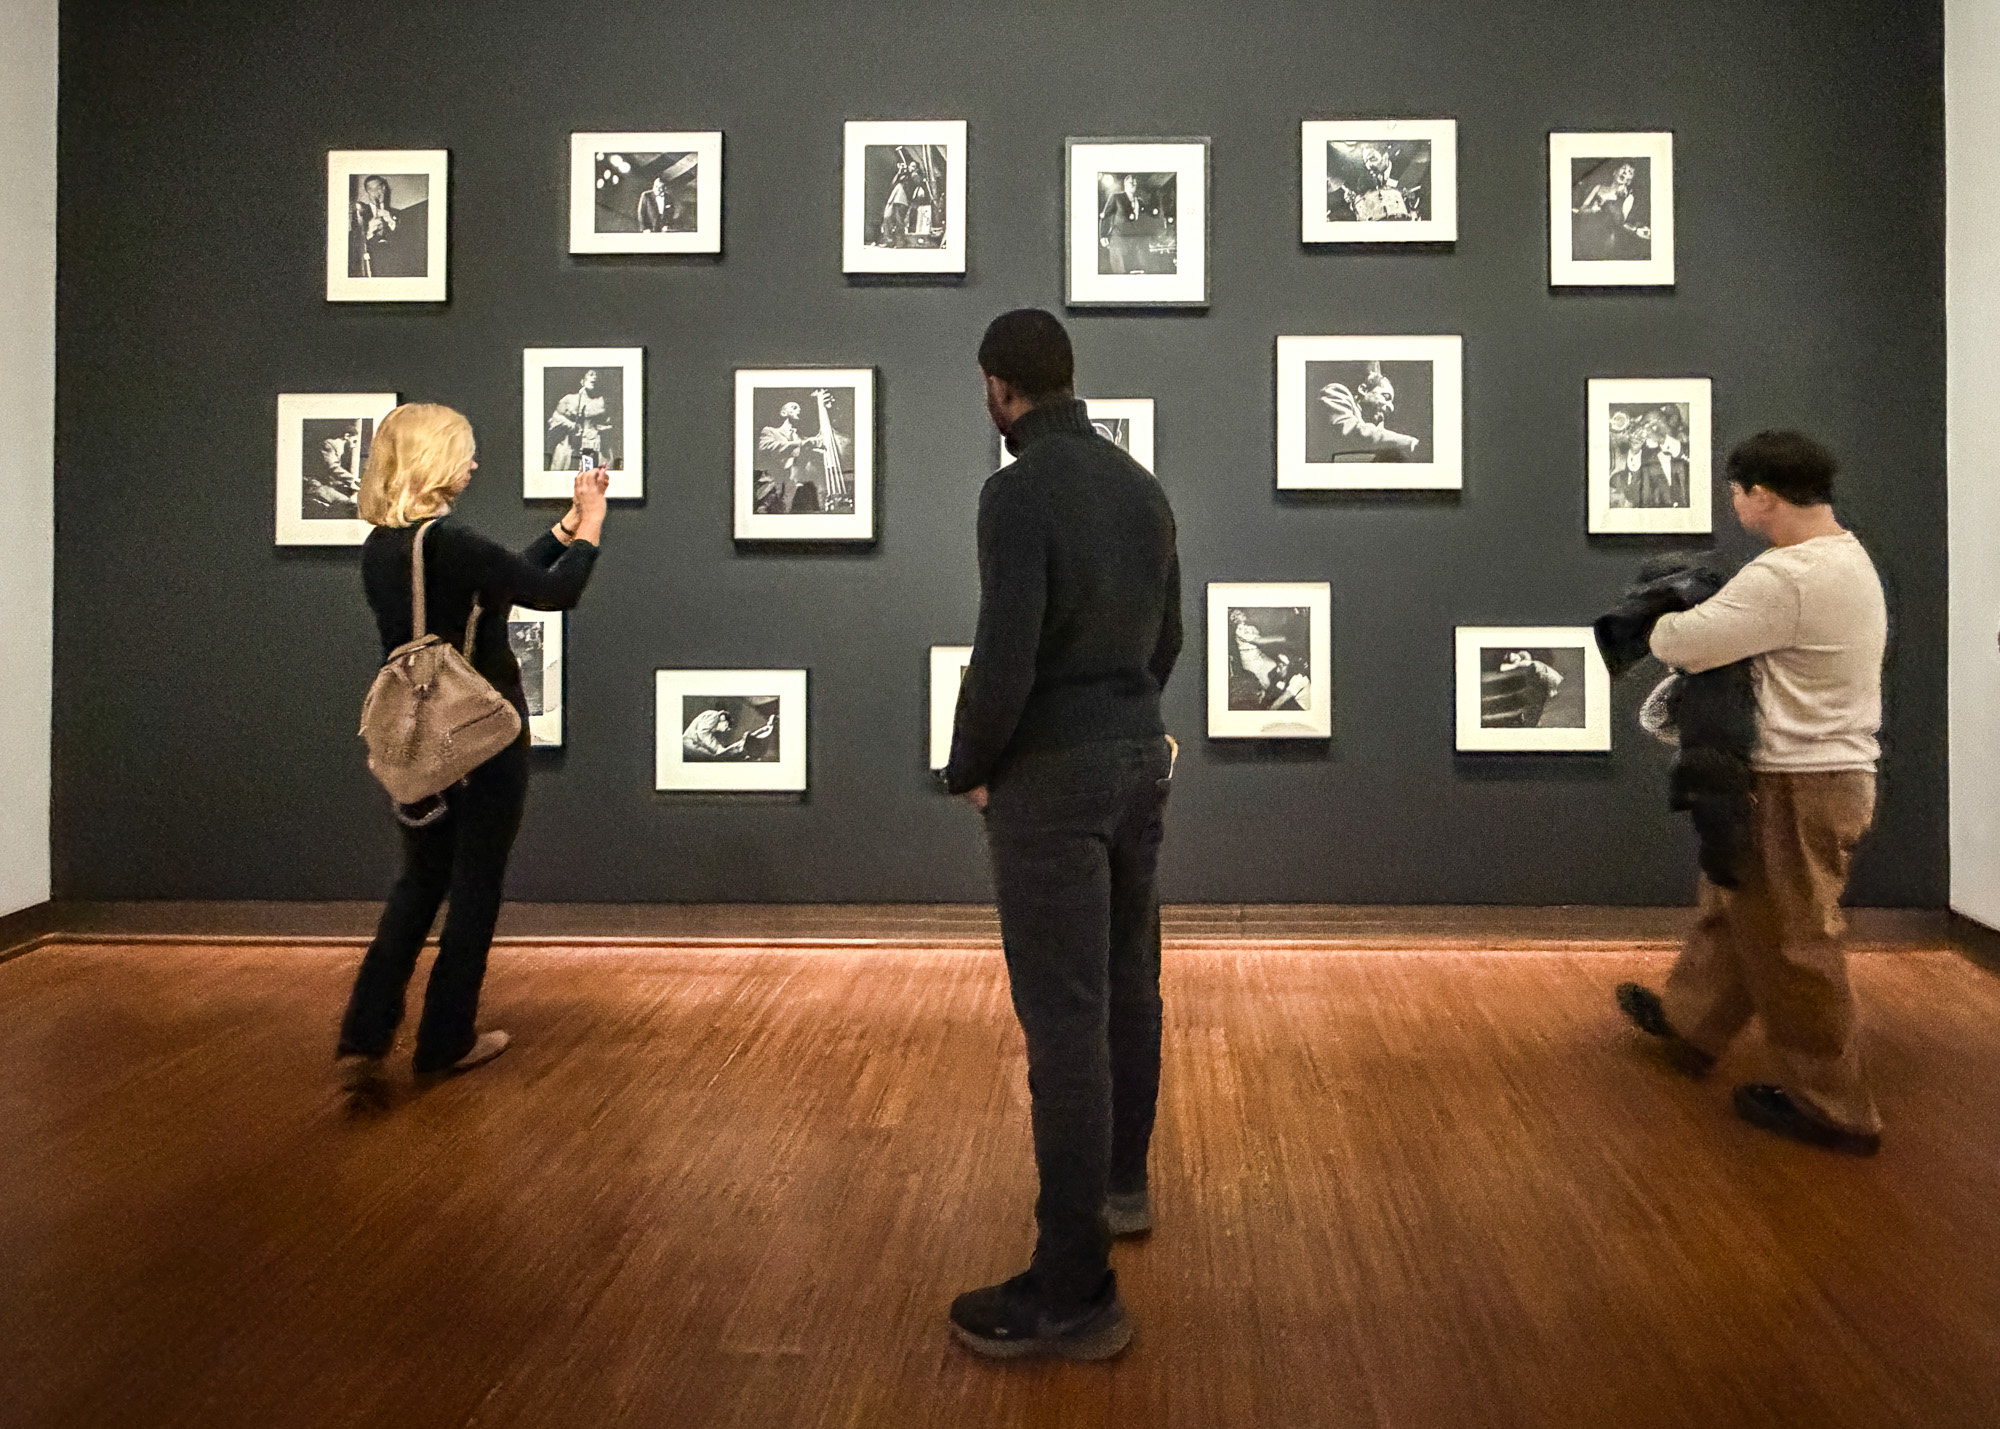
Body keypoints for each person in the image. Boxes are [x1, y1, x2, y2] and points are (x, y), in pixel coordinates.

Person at [942, 309, 1182, 1361]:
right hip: (1137, 757)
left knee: (1062, 1021)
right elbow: (1165, 634)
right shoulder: (1140, 486)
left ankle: (1072, 1286)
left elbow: (1005, 653)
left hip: (1053, 779)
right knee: (1129, 981)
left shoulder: (1015, 491)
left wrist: (973, 766)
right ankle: (1120, 1186)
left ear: (999, 388)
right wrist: (1124, 720)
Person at [1616, 431, 1889, 1155]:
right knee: (1735, 900)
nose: (1733, 503)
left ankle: (1835, 1107)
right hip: (1823, 773)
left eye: (1735, 492)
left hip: (1795, 779)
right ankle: (1690, 1023)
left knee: (1795, 941)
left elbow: (1682, 642)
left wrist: (1663, 612)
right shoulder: (1845, 558)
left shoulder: (1788, 577)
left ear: (1761, 494)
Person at [336, 403, 609, 1097]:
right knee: (476, 883)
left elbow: (505, 575)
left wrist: (562, 527)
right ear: (435, 461)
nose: (474, 465)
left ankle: (365, 1034)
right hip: (478, 733)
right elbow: (554, 591)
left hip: (414, 739)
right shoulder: (451, 541)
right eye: (465, 452)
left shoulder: (384, 545)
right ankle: (445, 1039)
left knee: (419, 880)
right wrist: (594, 525)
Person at [548, 370, 612, 472]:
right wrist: (572, 425)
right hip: (572, 445)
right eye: (591, 374)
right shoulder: (569, 399)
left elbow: (610, 423)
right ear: (582, 381)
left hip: (595, 445)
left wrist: (605, 429)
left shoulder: (604, 402)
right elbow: (556, 418)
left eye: (597, 376)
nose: (594, 377)